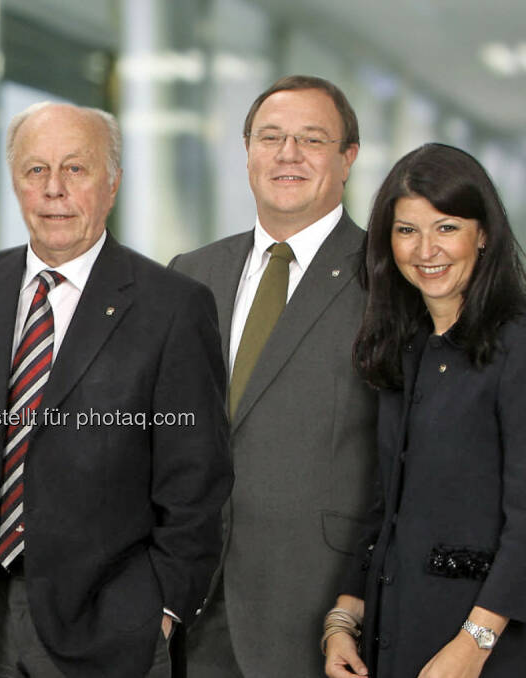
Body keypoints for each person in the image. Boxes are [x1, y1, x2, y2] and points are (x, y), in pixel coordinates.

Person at [0, 101, 232, 678]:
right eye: (36, 170)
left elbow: (197, 481)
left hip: (111, 623)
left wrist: (160, 608)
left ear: (112, 184)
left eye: (75, 169)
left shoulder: (172, 306)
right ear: (16, 183)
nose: (53, 189)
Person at [169, 75, 378, 678]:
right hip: (193, 609)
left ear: (348, 159)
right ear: (247, 151)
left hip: (321, 614)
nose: (288, 154)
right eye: (271, 137)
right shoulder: (191, 274)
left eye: (312, 139)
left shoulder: (388, 280)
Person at [323, 143, 526, 678]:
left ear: (482, 234)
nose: (425, 249)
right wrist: (343, 617)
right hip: (395, 635)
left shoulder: (517, 347)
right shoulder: (406, 348)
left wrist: (474, 645)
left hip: (483, 647)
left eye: (447, 227)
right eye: (407, 230)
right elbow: (385, 501)